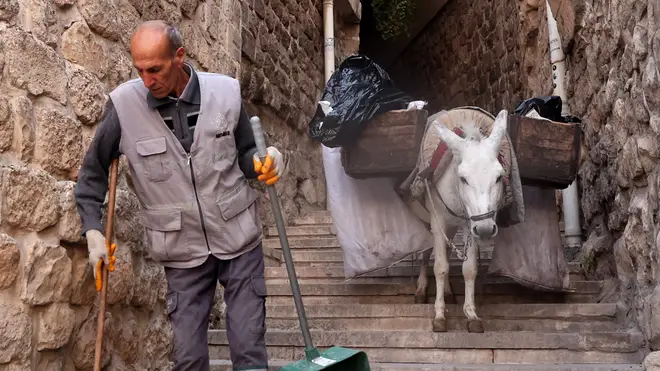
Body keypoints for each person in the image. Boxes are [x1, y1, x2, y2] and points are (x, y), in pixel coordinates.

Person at [74, 20, 284, 371]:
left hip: (239, 237)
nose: (146, 80)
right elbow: (92, 174)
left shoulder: (226, 93)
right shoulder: (124, 107)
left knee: (249, 351)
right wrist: (93, 230)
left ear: (179, 57)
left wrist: (266, 159)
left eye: (155, 69)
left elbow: (247, 155)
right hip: (181, 250)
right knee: (187, 357)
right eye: (139, 70)